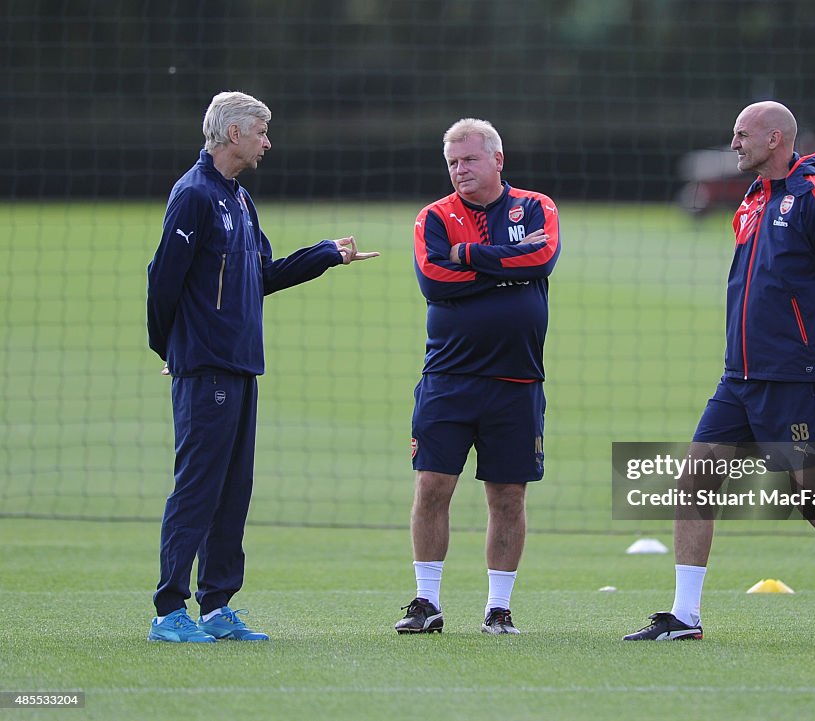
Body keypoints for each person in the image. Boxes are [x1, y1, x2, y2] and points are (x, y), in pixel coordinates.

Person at [623, 101, 815, 643]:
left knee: (814, 498)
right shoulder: (750, 200)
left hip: (797, 377)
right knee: (694, 482)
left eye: (742, 135)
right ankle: (685, 616)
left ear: (775, 139)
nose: (734, 144)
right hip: (740, 378)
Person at [146, 91, 378, 643]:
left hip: (241, 366)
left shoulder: (240, 201)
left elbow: (263, 276)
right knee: (198, 488)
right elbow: (162, 282)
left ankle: (218, 606)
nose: (268, 142)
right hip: (206, 367)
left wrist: (325, 254)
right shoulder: (195, 195)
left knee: (233, 489)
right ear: (234, 135)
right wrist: (172, 351)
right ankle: (169, 611)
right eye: (261, 131)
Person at [396, 118, 560, 635]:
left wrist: (468, 256)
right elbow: (434, 280)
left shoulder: (537, 207)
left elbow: (543, 256)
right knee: (432, 486)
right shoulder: (434, 217)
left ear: (497, 160)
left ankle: (498, 608)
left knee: (508, 496)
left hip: (517, 381)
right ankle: (426, 603)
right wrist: (508, 266)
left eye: (468, 160)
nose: (459, 171)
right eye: (452, 163)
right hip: (449, 377)